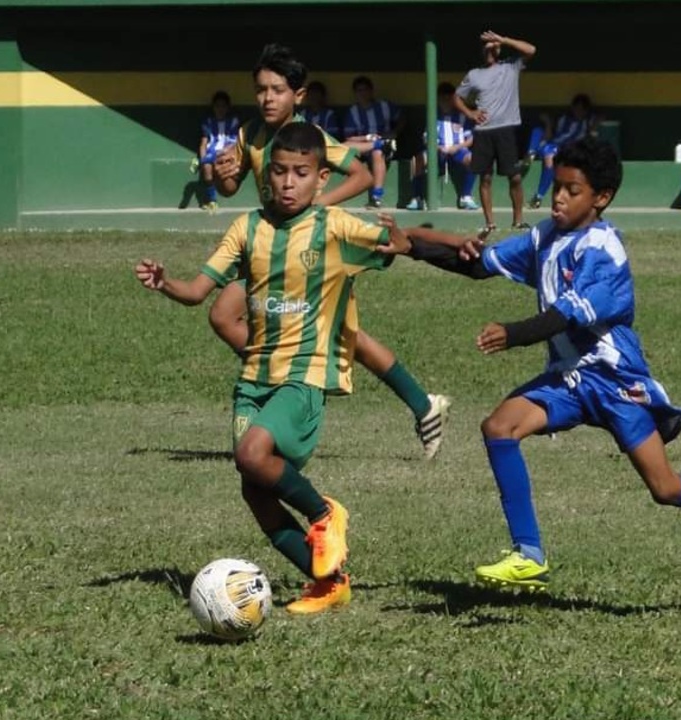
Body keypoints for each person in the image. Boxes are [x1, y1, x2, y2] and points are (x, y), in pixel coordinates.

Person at [380, 137, 681, 592]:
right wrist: (413, 247)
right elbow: (480, 265)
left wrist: (513, 333)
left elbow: (564, 315)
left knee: (666, 488)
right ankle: (528, 553)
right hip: (568, 381)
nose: (559, 197)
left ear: (601, 198)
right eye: (557, 186)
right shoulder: (545, 236)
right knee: (499, 427)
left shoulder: (604, 252)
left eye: (572, 190)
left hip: (615, 384)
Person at [134, 124, 416, 613]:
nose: (287, 182)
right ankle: (329, 582)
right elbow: (198, 293)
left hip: (304, 376)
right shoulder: (247, 228)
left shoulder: (335, 228)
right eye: (279, 172)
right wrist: (164, 283)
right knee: (255, 489)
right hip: (254, 381)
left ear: (321, 179)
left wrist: (404, 240)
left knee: (251, 452)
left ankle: (326, 513)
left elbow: (400, 243)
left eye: (300, 173)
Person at [212, 44, 451, 459]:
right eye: (261, 90)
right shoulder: (248, 134)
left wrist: (316, 208)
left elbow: (359, 175)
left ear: (298, 96)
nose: (268, 98)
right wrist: (221, 175)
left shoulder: (312, 138)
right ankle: (287, 378)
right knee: (226, 315)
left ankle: (420, 404)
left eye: (278, 90)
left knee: (343, 336)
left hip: (308, 250)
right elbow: (229, 188)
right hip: (267, 246)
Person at [454, 30, 536, 233]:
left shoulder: (511, 66)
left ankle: (518, 220)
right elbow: (457, 97)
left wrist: (504, 39)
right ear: (482, 51)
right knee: (486, 177)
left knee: (514, 177)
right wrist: (471, 113)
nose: (491, 48)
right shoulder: (474, 74)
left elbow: (531, 50)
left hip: (506, 130)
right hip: (483, 131)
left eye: (495, 46)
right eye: (488, 46)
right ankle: (490, 223)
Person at [406, 82, 479, 212]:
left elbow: (471, 139)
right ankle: (417, 198)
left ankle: (466, 196)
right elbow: (427, 138)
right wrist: (439, 147)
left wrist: (457, 147)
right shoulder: (433, 115)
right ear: (438, 99)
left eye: (449, 98)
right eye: (442, 98)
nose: (446, 101)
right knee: (417, 159)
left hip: (458, 150)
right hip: (437, 150)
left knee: (473, 159)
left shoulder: (463, 115)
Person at [524, 93, 597, 209]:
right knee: (537, 130)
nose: (578, 111)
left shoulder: (587, 122)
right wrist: (548, 122)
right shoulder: (564, 119)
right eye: (576, 108)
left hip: (565, 149)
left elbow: (594, 130)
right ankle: (531, 153)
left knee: (549, 159)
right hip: (553, 144)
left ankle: (538, 197)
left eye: (581, 109)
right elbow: (550, 135)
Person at [343, 75, 405, 208]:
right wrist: (367, 138)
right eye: (359, 90)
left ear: (371, 91)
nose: (362, 93)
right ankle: (378, 144)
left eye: (365, 90)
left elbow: (401, 119)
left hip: (385, 146)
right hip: (364, 146)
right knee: (343, 146)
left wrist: (395, 132)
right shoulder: (353, 111)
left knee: (377, 151)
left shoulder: (385, 106)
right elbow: (349, 138)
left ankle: (376, 196)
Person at [194, 91, 240, 211]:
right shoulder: (208, 122)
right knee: (207, 172)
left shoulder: (233, 121)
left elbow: (236, 141)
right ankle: (212, 201)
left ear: (228, 107)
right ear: (213, 107)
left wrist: (226, 152)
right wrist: (202, 159)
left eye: (223, 106)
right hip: (211, 152)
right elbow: (203, 143)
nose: (220, 109)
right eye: (217, 106)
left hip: (227, 153)